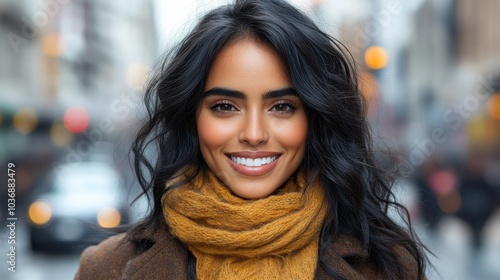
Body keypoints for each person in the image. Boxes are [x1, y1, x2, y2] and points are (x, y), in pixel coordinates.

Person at [75, 0, 428, 279]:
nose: (255, 134)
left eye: (283, 106)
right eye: (226, 106)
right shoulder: (104, 269)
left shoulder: (389, 266)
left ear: (314, 118)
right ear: (192, 118)